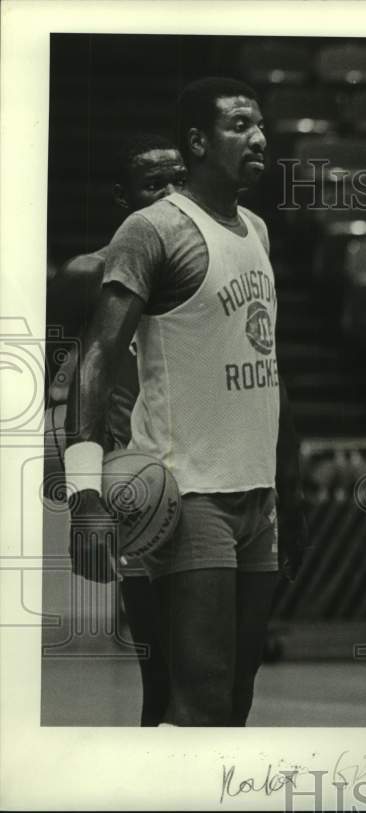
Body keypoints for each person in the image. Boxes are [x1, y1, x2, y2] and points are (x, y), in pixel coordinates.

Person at [64, 77, 307, 726]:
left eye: (260, 125)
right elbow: (96, 359)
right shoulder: (153, 230)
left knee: (233, 703)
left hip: (257, 496)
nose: (257, 137)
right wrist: (85, 495)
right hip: (188, 492)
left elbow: (264, 367)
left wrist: (289, 484)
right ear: (197, 142)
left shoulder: (256, 228)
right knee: (194, 700)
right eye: (237, 125)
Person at [47, 132, 187, 726]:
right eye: (154, 185)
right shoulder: (88, 274)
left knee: (220, 670)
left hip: (208, 470)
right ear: (120, 197)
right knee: (165, 672)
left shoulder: (213, 264)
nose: (170, 196)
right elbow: (53, 373)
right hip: (137, 483)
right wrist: (76, 463)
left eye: (178, 181)